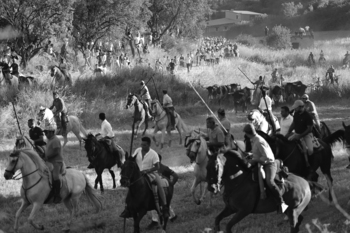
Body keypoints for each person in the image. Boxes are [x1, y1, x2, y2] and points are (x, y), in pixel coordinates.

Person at [119, 137, 169, 219]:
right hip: (138, 173)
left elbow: (157, 166)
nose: (142, 146)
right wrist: (127, 162)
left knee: (159, 185)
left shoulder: (153, 154)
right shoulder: (138, 150)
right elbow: (132, 160)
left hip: (151, 173)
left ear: (149, 145)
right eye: (141, 144)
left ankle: (164, 206)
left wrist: (147, 170)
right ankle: (127, 208)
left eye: (144, 145)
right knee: (131, 186)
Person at [243, 123, 287, 213]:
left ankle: (281, 202)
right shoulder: (253, 139)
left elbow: (267, 157)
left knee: (269, 182)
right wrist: (250, 154)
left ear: (248, 134)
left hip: (269, 164)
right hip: (261, 163)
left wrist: (254, 160)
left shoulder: (258, 141)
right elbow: (257, 152)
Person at [147, 154, 178, 230]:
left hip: (162, 190)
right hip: (156, 189)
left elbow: (175, 176)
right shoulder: (152, 169)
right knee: (165, 204)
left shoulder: (164, 168)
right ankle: (172, 216)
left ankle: (155, 222)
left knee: (156, 204)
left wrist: (171, 185)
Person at [287, 100, 314, 167]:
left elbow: (309, 129)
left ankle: (310, 163)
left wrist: (300, 136)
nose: (295, 109)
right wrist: (289, 131)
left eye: (296, 107)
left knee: (310, 150)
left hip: (306, 135)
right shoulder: (296, 113)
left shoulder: (307, 116)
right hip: (296, 134)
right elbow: (294, 123)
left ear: (300, 107)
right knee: (288, 142)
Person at [43, 120, 63, 203]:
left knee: (55, 177)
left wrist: (47, 157)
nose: (46, 134)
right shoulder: (50, 139)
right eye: (45, 133)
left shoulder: (55, 140)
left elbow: (56, 151)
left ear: (51, 132)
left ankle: (57, 195)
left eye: (47, 133)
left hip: (56, 161)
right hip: (50, 161)